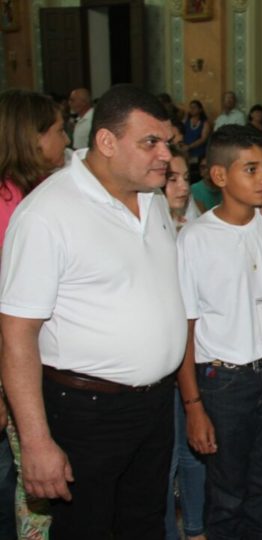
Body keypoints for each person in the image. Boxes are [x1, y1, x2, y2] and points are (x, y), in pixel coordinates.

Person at [0, 84, 184, 539]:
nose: (165, 155)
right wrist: (37, 441)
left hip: (155, 404)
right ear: (106, 142)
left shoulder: (154, 200)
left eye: (167, 143)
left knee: (143, 523)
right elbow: (16, 335)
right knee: (87, 528)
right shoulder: (48, 213)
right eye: (150, 143)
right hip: (86, 409)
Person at [175, 125, 262, 539]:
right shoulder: (194, 240)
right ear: (220, 176)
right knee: (226, 492)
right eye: (251, 169)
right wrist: (193, 406)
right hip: (223, 380)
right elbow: (186, 330)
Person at [0, 88, 70, 540]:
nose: (66, 139)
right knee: (26, 482)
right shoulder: (8, 204)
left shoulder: (47, 191)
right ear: (33, 138)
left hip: (50, 365)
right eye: (59, 130)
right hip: (15, 364)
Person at [161, 147, 205, 540]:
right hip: (158, 361)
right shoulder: (148, 229)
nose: (181, 186)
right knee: (165, 459)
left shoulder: (197, 226)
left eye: (185, 178)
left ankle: (195, 529)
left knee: (192, 453)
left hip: (190, 356)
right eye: (171, 178)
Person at [183, 100, 212, 171]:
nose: (192, 109)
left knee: (196, 173)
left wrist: (189, 147)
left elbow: (203, 138)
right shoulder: (186, 121)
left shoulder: (205, 123)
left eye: (194, 107)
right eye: (190, 107)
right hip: (186, 153)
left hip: (199, 153)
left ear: (200, 109)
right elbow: (180, 132)